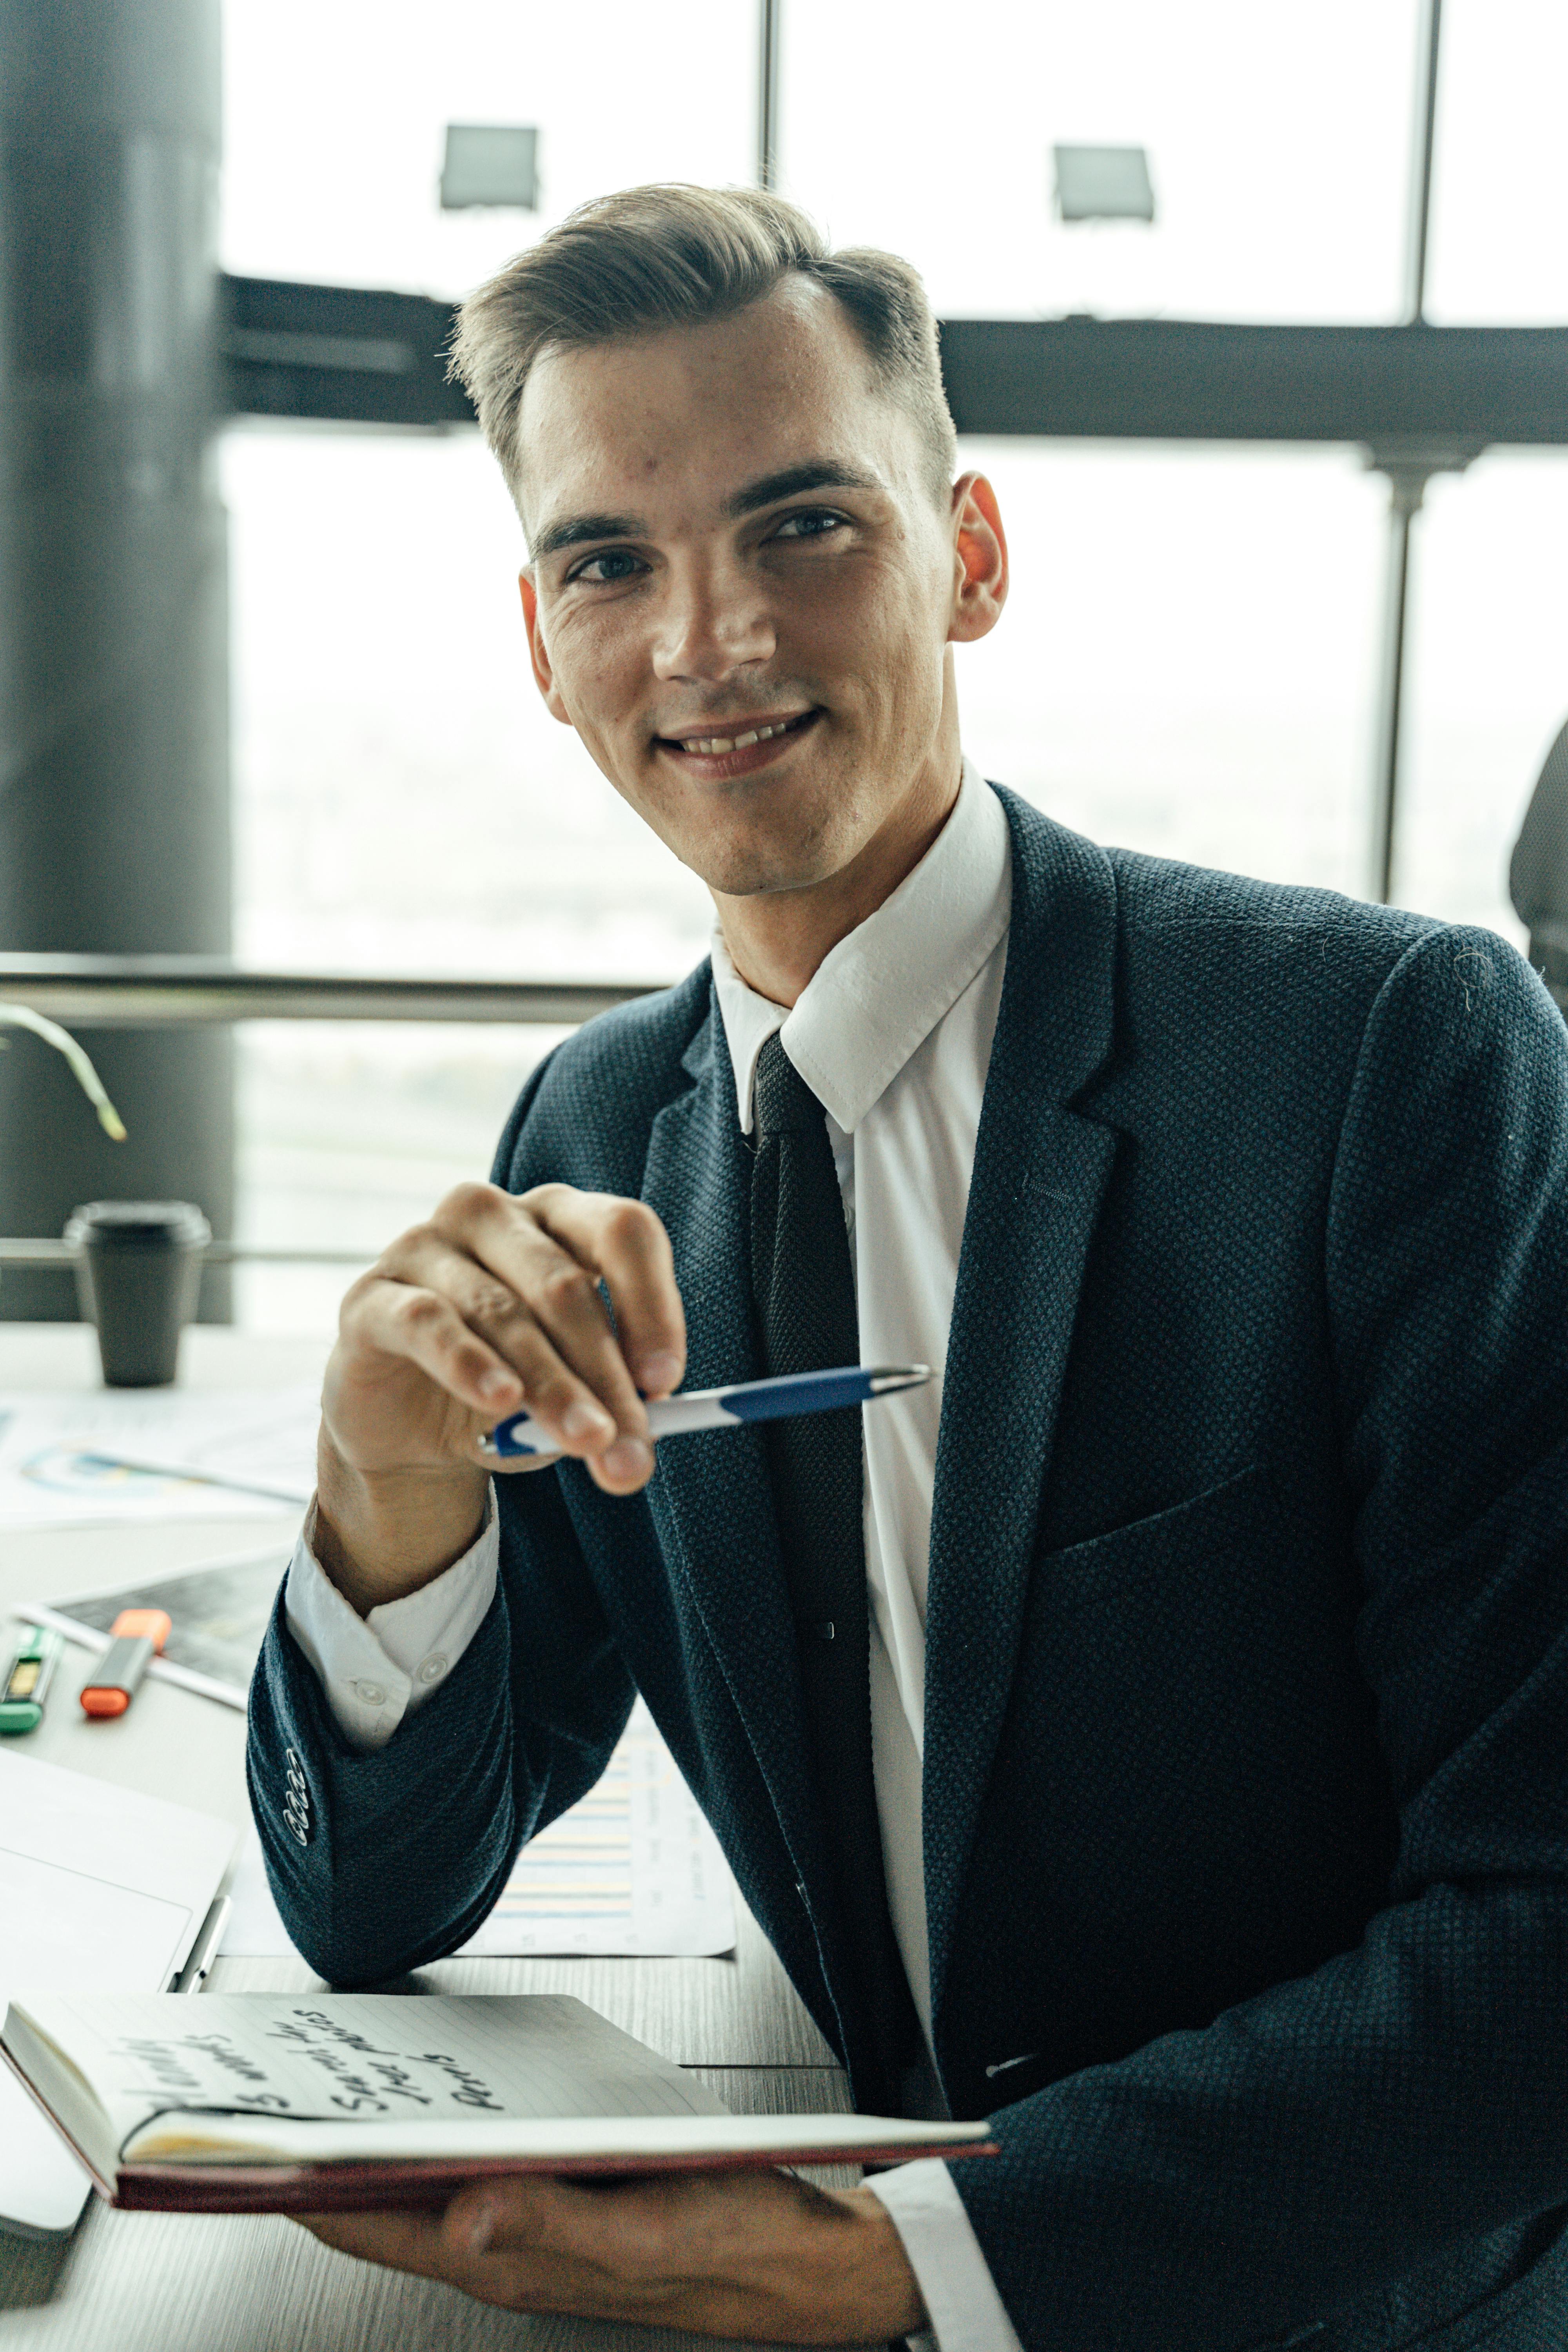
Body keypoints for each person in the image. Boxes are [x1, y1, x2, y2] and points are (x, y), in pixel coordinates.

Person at [249, 184, 1568, 2352]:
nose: (711, 642)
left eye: (803, 529)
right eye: (611, 563)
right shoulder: (588, 1139)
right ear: (539, 640)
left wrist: (920, 2271)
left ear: (968, 555)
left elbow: (1543, 1934)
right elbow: (378, 1906)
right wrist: (388, 1499)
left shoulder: (1387, 1064)